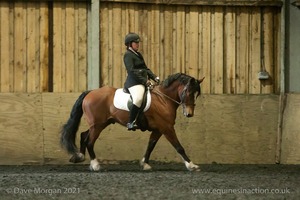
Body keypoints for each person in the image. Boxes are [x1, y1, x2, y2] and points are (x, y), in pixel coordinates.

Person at [123, 32, 160, 130]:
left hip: (142, 82)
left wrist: (154, 77)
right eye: (136, 43)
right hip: (134, 83)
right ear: (130, 44)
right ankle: (130, 122)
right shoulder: (128, 55)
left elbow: (145, 69)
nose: (138, 45)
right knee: (138, 99)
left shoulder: (138, 54)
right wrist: (145, 81)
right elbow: (132, 71)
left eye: (138, 43)